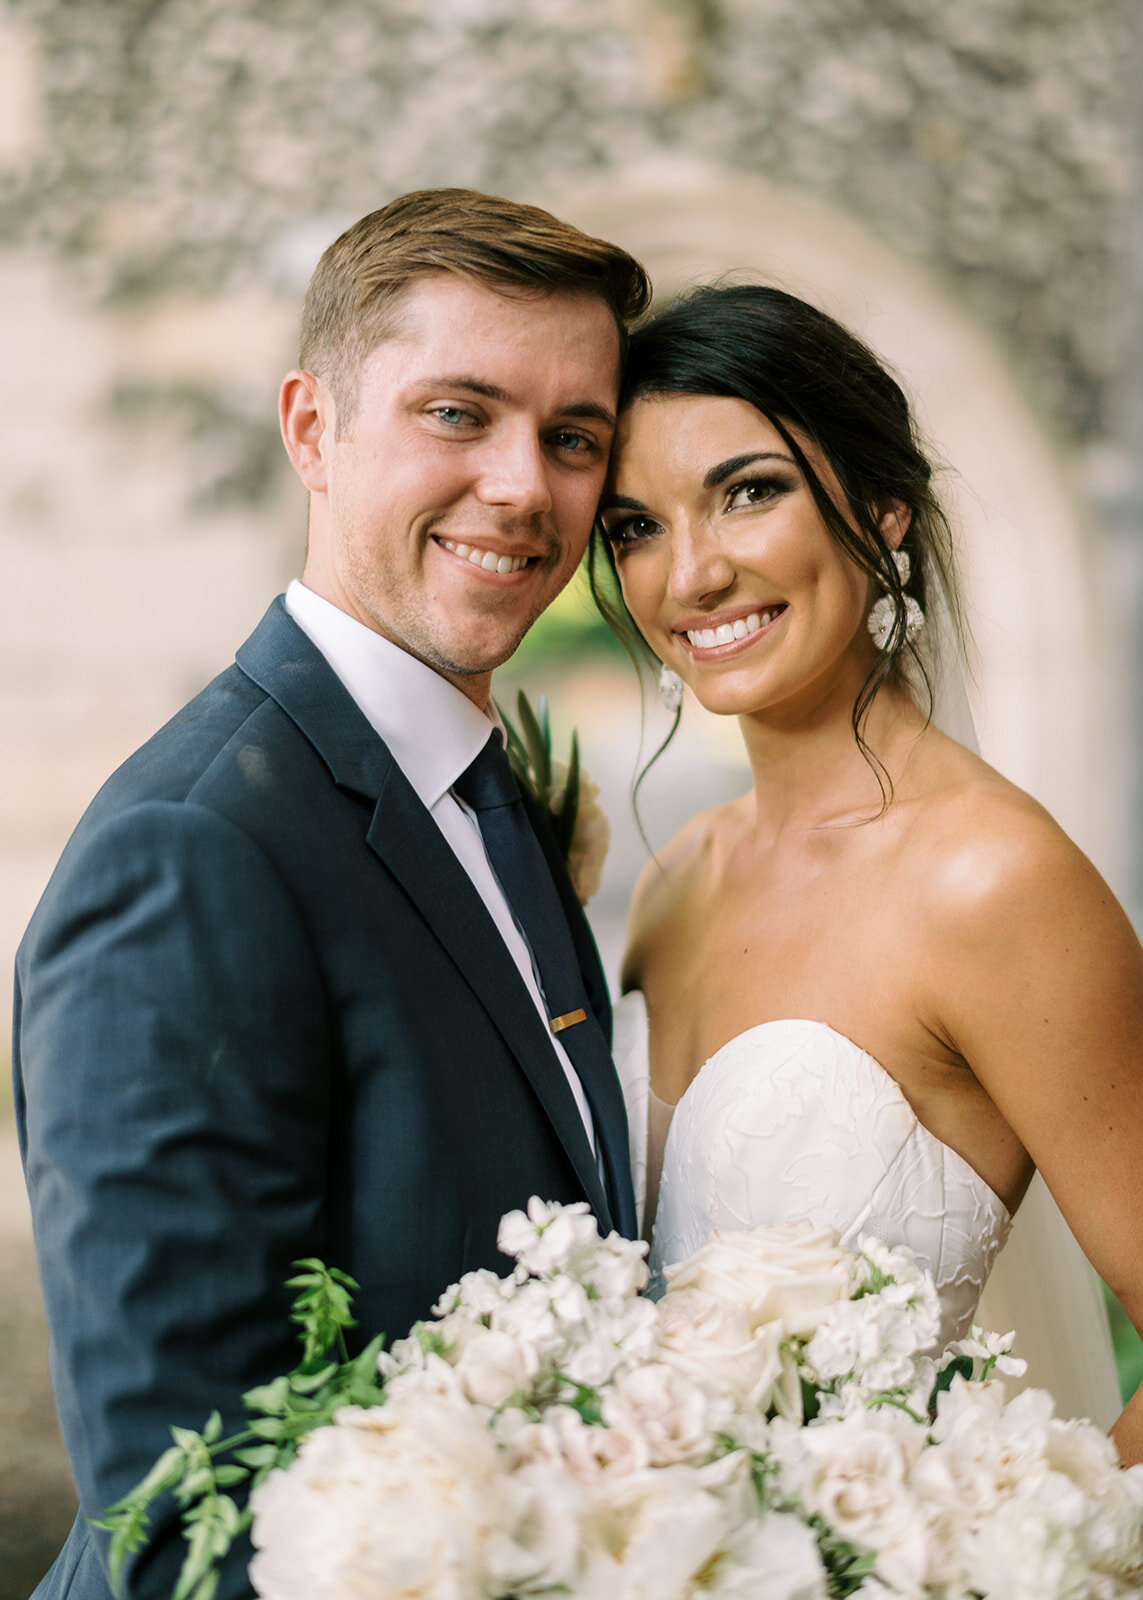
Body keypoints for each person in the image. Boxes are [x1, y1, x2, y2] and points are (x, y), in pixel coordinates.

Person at [13, 188, 649, 1599]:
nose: (519, 486)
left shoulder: (495, 803)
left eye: (571, 438)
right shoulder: (188, 852)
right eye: (455, 413)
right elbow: (183, 1506)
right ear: (310, 428)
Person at [593, 283, 1143, 1466]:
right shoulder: (672, 883)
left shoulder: (993, 883)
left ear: (884, 508)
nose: (689, 575)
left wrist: (1030, 1550)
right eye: (635, 525)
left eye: (748, 492)